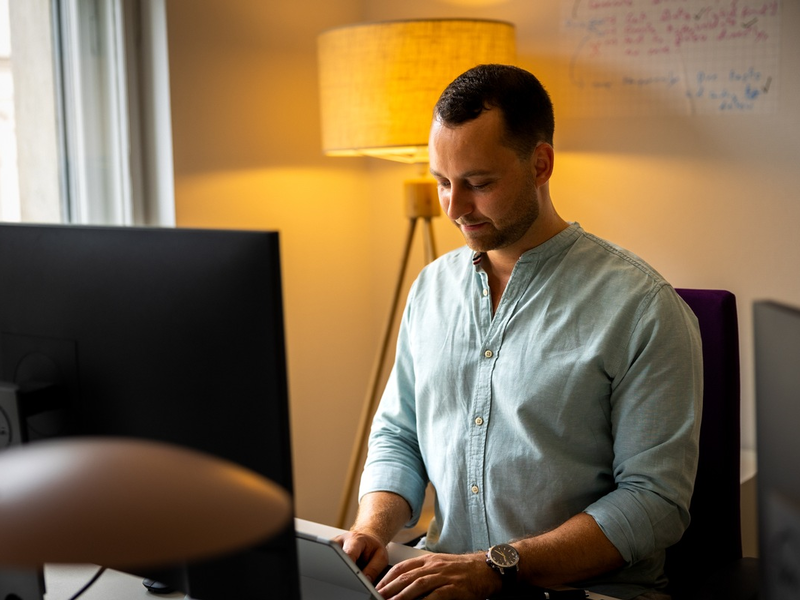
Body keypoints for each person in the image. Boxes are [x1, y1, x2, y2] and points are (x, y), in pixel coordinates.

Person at [335, 64, 703, 600]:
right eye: (442, 183)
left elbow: (655, 502)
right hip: (442, 581)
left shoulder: (643, 307)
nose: (455, 208)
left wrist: (496, 567)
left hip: (587, 591)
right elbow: (400, 435)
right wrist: (373, 528)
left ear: (540, 164)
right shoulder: (431, 289)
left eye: (478, 184)